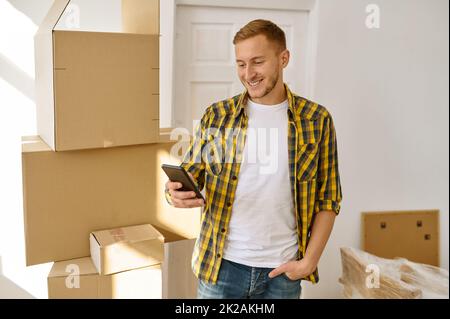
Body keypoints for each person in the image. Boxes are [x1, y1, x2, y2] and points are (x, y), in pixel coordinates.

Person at [165, 19, 342, 299]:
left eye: (257, 62)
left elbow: (328, 199)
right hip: (222, 268)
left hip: (282, 272)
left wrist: (309, 262)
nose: (248, 74)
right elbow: (189, 176)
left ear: (283, 58)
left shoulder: (316, 120)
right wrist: (172, 194)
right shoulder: (218, 116)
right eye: (241, 64)